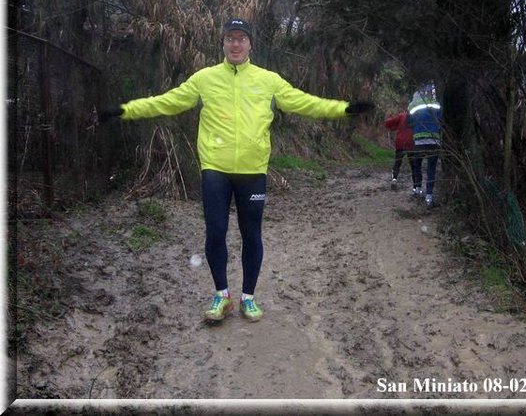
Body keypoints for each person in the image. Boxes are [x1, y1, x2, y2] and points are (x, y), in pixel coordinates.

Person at [100, 18, 373, 322]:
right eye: (230, 38)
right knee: (216, 231)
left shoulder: (268, 80)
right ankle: (222, 296)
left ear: (250, 44)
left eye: (241, 38)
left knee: (251, 234)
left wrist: (344, 109)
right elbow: (166, 102)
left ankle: (248, 298)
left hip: (253, 171)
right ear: (223, 43)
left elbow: (305, 103)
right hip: (215, 168)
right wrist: (125, 111)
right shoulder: (204, 79)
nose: (236, 44)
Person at [407, 83, 442, 207]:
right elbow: (441, 119)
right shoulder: (436, 103)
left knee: (417, 165)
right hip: (434, 140)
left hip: (419, 141)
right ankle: (429, 196)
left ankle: (417, 189)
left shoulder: (413, 105)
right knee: (431, 168)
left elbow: (409, 122)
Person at [383, 109, 417, 192]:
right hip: (411, 143)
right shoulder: (417, 118)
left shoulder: (402, 116)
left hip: (400, 142)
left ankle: (394, 179)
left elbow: (388, 123)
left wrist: (389, 118)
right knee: (414, 165)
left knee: (397, 162)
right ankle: (415, 187)